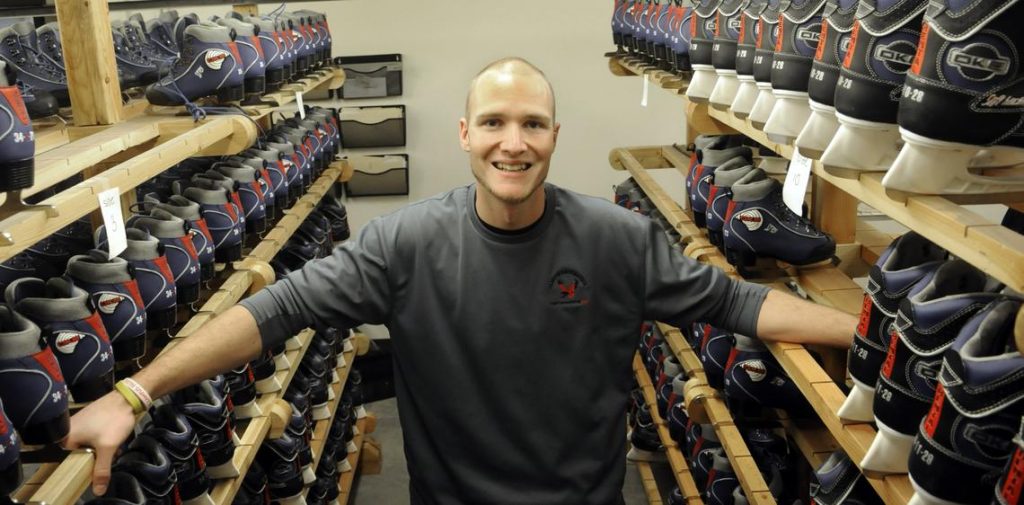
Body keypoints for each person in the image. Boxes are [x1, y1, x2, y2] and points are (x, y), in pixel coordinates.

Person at [67, 57, 857, 505]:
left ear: (554, 135)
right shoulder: (405, 244)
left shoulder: (617, 240)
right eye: (494, 123)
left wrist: (868, 332)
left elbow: (738, 302)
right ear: (465, 134)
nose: (513, 143)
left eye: (533, 124)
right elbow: (275, 309)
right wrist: (131, 396)